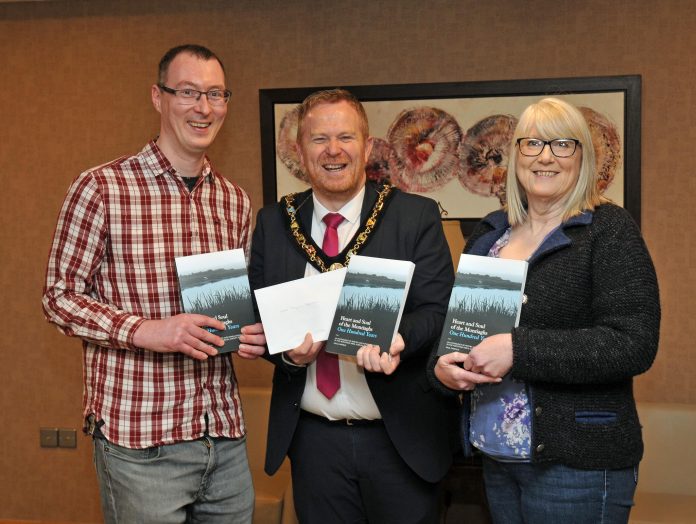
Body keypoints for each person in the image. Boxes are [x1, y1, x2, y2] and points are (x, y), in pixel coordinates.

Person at [42, 44, 267, 524]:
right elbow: (59, 299)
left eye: (215, 94)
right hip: (140, 441)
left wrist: (256, 331)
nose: (203, 108)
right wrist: (147, 330)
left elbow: (235, 304)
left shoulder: (234, 200)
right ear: (157, 97)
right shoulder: (101, 187)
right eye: (187, 92)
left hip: (222, 434)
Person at [429, 97, 660, 523]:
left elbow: (633, 343)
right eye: (532, 143)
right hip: (496, 458)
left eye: (562, 144)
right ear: (516, 155)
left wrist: (520, 349)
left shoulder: (608, 230)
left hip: (576, 465)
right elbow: (457, 332)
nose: (545, 157)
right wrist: (443, 370)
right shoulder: (490, 233)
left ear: (582, 157)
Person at [249, 89, 458, 523]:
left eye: (345, 137)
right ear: (300, 152)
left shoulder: (413, 217)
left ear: (366, 148)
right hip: (313, 442)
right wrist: (287, 354)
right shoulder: (273, 222)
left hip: (398, 440)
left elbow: (439, 312)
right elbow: (260, 318)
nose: (333, 150)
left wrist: (399, 340)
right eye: (319, 139)